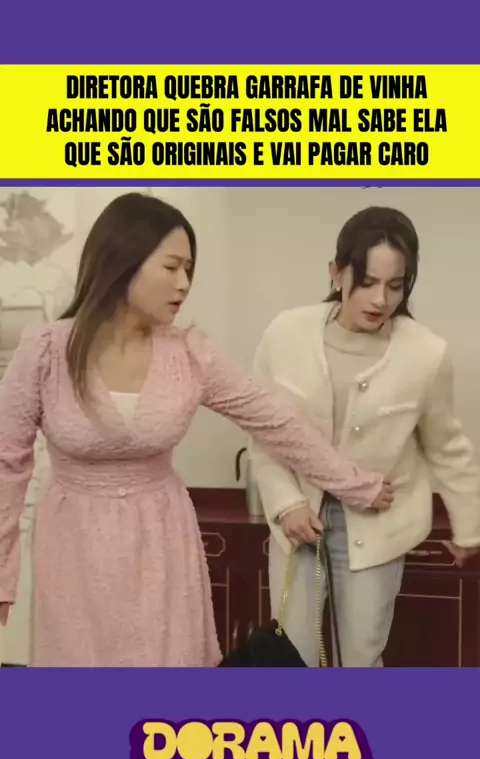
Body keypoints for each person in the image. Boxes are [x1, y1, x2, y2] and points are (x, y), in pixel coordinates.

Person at [0, 193, 392, 668]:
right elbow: (7, 463)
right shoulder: (46, 350)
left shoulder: (189, 354)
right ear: (123, 259)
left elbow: (276, 421)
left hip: (161, 539)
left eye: (189, 269)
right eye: (172, 267)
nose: (184, 283)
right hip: (73, 545)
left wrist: (354, 483)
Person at [250, 205, 480, 668]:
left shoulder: (426, 354)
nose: (381, 299)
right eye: (369, 282)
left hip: (378, 526)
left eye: (396, 285)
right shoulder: (285, 334)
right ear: (337, 272)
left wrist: (470, 526)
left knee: (360, 658)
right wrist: (286, 504)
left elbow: (447, 447)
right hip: (298, 522)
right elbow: (263, 430)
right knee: (291, 658)